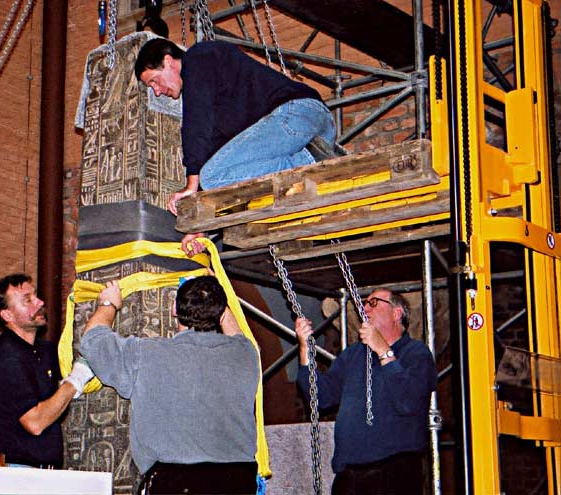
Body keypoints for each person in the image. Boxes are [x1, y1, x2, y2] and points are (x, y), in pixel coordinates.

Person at [134, 38, 336, 256]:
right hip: (313, 127)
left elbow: (196, 123)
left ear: (168, 61)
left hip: (297, 114)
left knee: (210, 176)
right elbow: (218, 157)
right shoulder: (223, 103)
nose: (156, 91)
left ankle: (308, 162)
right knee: (216, 174)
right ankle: (311, 162)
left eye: (154, 81)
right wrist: (201, 227)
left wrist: (191, 184)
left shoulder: (198, 57)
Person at [80, 276, 260, 494]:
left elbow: (92, 340)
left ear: (175, 309)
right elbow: (237, 334)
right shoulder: (245, 355)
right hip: (238, 483)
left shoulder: (145, 354)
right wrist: (213, 292)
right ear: (221, 312)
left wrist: (108, 303)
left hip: (174, 483)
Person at [295, 288, 437, 495]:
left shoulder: (416, 353)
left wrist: (383, 351)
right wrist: (305, 351)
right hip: (350, 473)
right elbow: (320, 398)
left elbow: (408, 401)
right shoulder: (353, 354)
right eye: (364, 303)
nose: (364, 309)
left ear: (396, 313)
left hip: (394, 470)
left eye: (373, 303)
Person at [0, 273, 94, 468]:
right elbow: (34, 423)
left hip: (45, 470)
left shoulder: (46, 351)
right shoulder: (5, 357)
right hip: (16, 472)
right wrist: (76, 379)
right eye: (27, 300)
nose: (39, 302)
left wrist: (63, 390)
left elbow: (53, 407)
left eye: (35, 296)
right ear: (7, 315)